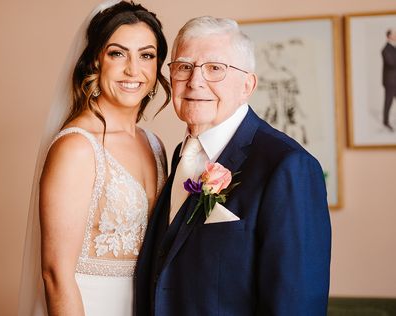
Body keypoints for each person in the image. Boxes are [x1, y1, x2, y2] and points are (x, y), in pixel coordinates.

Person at [135, 16, 331, 316]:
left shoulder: (288, 167)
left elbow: (295, 304)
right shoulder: (178, 155)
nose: (195, 81)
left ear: (247, 85)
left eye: (215, 68)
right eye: (184, 66)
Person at [18, 1, 171, 315]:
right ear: (95, 62)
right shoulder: (76, 148)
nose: (133, 69)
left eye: (146, 55)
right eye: (118, 53)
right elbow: (56, 274)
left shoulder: (155, 145)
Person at [382, 28, 396, 132]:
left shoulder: (394, 48)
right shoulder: (385, 49)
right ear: (389, 36)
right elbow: (391, 63)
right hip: (390, 81)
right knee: (388, 101)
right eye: (393, 35)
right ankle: (385, 121)